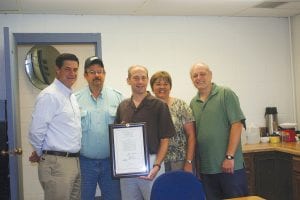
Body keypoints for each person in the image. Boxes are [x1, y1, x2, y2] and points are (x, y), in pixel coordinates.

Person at [115, 65, 176, 200]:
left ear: (147, 80)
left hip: (152, 164)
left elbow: (165, 140)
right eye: (136, 78)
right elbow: (117, 139)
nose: (140, 82)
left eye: (143, 78)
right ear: (128, 80)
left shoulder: (159, 106)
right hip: (127, 167)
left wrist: (157, 165)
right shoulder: (123, 106)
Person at [189, 61, 248, 199]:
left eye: (202, 74)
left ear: (210, 75)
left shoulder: (225, 94)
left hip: (229, 166)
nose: (199, 78)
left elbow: (237, 125)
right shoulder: (193, 102)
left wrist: (229, 156)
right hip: (206, 169)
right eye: (195, 75)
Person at [28, 53, 82, 200]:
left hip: (74, 162)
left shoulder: (71, 97)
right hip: (57, 163)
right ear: (57, 70)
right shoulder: (50, 95)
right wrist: (42, 154)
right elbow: (36, 131)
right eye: (67, 69)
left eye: (75, 70)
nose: (72, 73)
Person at [75, 56, 123, 200]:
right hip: (84, 162)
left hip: (110, 162)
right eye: (92, 72)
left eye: (100, 71)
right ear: (85, 75)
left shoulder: (118, 97)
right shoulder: (74, 99)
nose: (97, 75)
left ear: (104, 73)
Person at [150, 71, 196, 172]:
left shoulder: (181, 105)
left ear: (170, 86)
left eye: (166, 84)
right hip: (155, 162)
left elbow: (191, 135)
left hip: (179, 161)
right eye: (158, 84)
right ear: (152, 87)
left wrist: (189, 162)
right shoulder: (148, 107)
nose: (162, 87)